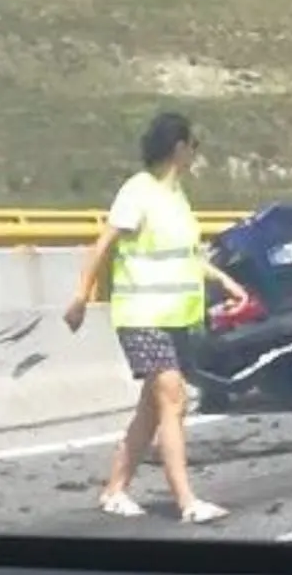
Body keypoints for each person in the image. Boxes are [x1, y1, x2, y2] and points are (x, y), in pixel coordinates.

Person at [63, 111, 248, 523]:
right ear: (179, 148)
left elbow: (186, 257)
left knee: (152, 407)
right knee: (174, 397)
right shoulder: (138, 192)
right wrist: (80, 297)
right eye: (194, 145)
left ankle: (114, 490)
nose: (195, 153)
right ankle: (187, 502)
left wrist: (226, 281)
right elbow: (102, 245)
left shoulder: (177, 197)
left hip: (174, 317)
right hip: (141, 316)